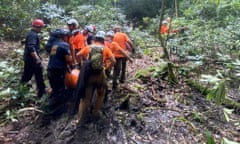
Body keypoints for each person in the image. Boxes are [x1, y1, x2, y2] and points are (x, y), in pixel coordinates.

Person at [75, 31, 116, 123]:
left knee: (86, 97)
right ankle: (96, 111)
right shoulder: (105, 48)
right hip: (100, 74)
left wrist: (81, 64)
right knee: (101, 92)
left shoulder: (89, 47)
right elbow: (113, 60)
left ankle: (81, 117)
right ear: (103, 40)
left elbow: (78, 55)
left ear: (95, 39)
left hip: (89, 74)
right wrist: (107, 67)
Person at [45, 28, 73, 117]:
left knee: (55, 88)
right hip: (58, 70)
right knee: (60, 89)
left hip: (50, 69)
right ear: (63, 37)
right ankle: (56, 111)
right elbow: (68, 60)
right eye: (67, 36)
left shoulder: (54, 45)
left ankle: (50, 105)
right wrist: (71, 65)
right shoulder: (64, 45)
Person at [20, 19, 46, 98]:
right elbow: (31, 48)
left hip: (29, 59)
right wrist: (37, 59)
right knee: (39, 76)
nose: (41, 29)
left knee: (27, 76)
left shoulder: (31, 33)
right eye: (40, 27)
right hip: (32, 60)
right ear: (37, 27)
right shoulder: (33, 35)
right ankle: (41, 93)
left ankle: (21, 91)